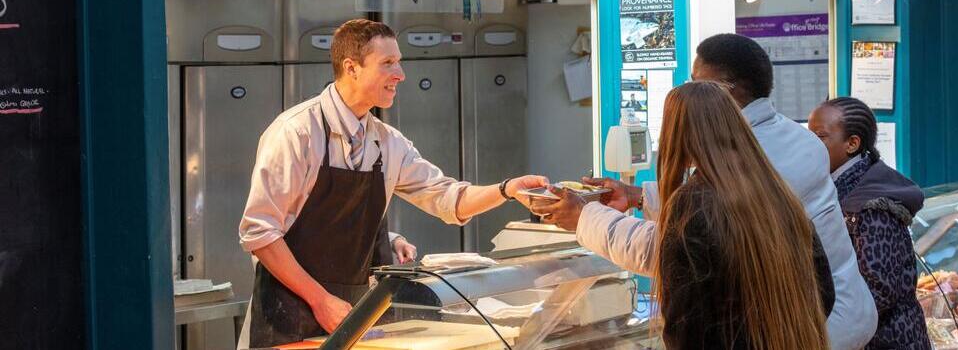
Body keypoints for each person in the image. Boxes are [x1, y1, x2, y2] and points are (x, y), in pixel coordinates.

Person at [535, 34, 877, 350]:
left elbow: (675, 248)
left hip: (814, 329)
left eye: (695, 83)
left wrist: (584, 216)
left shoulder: (760, 165)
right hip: (816, 321)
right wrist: (640, 196)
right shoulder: (789, 141)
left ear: (721, 94)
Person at [237, 19, 547, 347]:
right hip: (286, 318)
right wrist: (320, 300)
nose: (400, 74)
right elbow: (259, 233)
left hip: (351, 313)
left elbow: (448, 198)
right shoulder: (296, 133)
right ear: (351, 68)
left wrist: (506, 190)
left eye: (398, 62)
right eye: (388, 63)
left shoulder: (388, 143)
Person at [651, 81, 833, 349]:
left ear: (676, 134)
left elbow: (684, 324)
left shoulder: (690, 204)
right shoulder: (776, 190)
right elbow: (824, 293)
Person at [809, 98, 931, 349]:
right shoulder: (834, 188)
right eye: (808, 135)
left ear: (852, 144)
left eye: (820, 136)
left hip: (885, 340)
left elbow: (878, 290)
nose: (810, 145)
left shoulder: (871, 204)